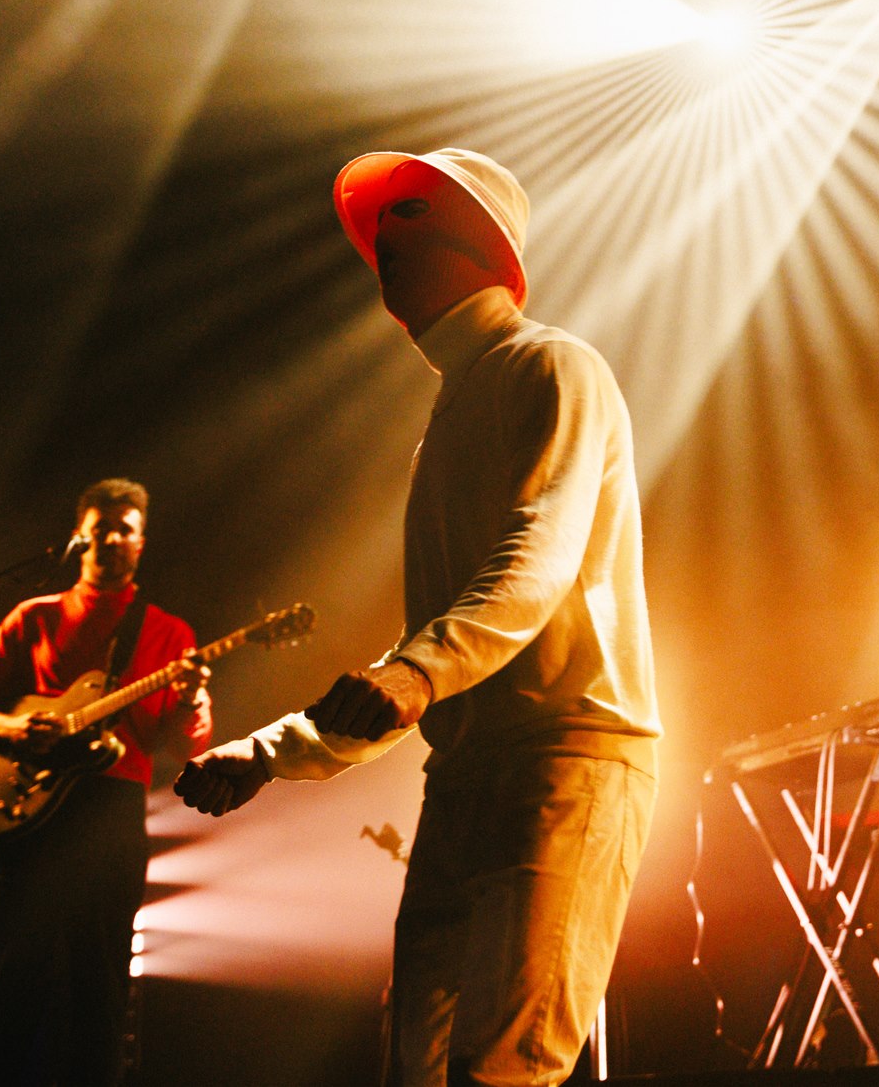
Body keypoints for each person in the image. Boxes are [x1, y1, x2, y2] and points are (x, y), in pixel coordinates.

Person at [175, 148, 660, 1087]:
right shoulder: (449, 418)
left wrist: (416, 674)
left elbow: (537, 556)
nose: (381, 245)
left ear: (481, 243)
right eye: (380, 231)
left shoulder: (554, 364)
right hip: (469, 772)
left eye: (409, 220)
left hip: (567, 757)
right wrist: (270, 751)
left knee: (501, 1071)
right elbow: (429, 642)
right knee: (416, 1071)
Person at [0, 478, 212, 1085]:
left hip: (111, 813)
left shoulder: (170, 633)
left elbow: (182, 745)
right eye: (101, 528)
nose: (112, 539)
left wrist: (192, 698)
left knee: (100, 988)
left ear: (141, 543)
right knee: (8, 981)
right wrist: (11, 731)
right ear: (80, 536)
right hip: (28, 812)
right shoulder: (35, 616)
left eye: (125, 530)